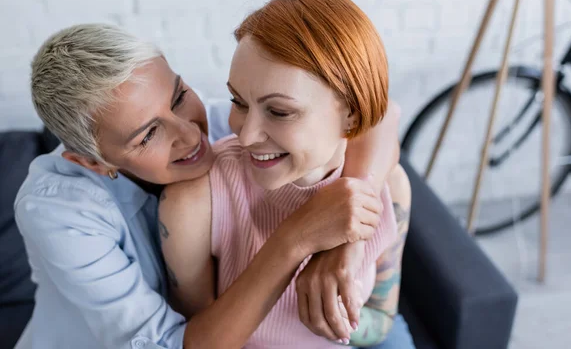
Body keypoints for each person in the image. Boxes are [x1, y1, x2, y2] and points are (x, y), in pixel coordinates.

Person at [13, 23, 402, 349]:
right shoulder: (57, 211)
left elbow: (379, 112)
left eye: (179, 96)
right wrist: (296, 240)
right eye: (148, 135)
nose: (190, 134)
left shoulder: (230, 123)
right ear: (92, 161)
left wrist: (344, 243)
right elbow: (173, 343)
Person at [160, 0, 415, 348]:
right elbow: (194, 339)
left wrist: (340, 318)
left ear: (351, 114)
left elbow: (383, 319)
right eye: (238, 101)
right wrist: (300, 238)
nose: (246, 136)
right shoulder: (194, 201)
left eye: (279, 112)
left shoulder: (391, 188)